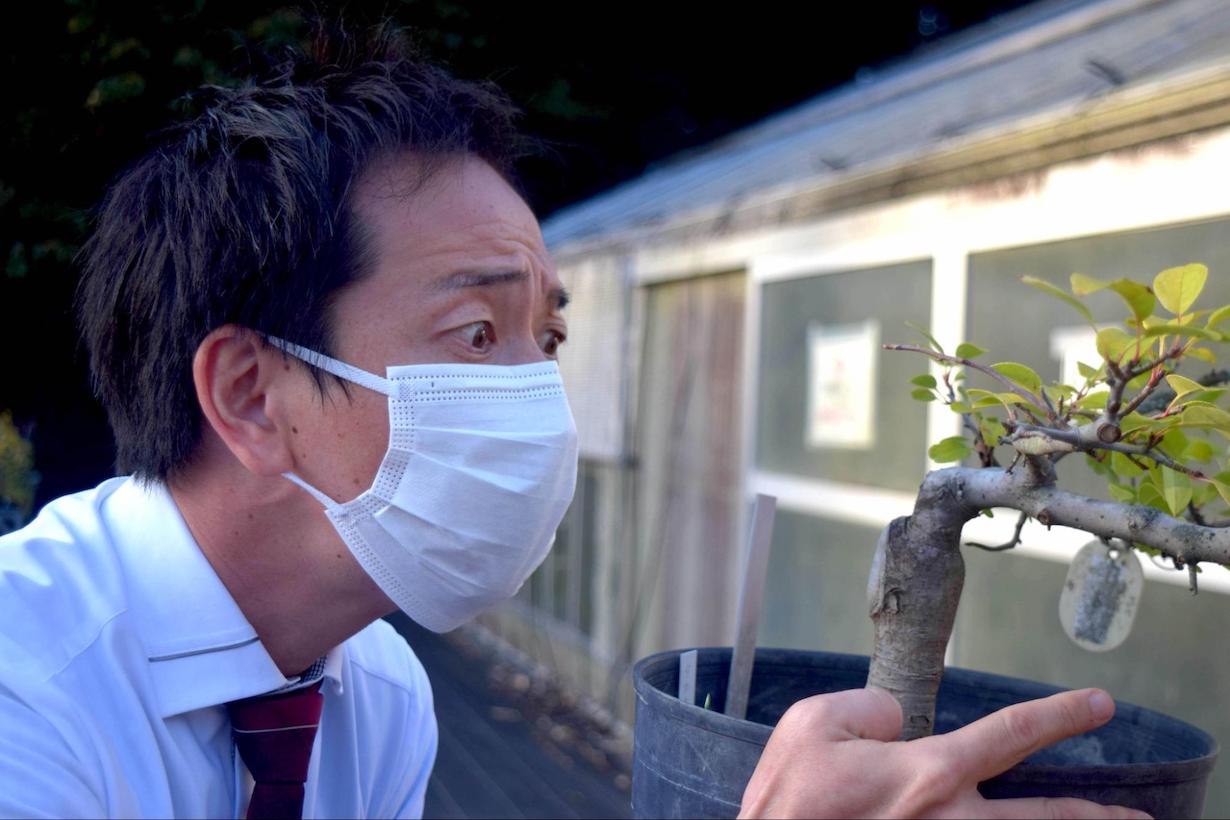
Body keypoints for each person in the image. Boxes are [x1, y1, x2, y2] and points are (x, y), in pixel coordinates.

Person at [0, 21, 1147, 820]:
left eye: (545, 341)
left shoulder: (376, 696)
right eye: (475, 334)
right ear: (254, 396)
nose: (536, 402)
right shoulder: (25, 691)